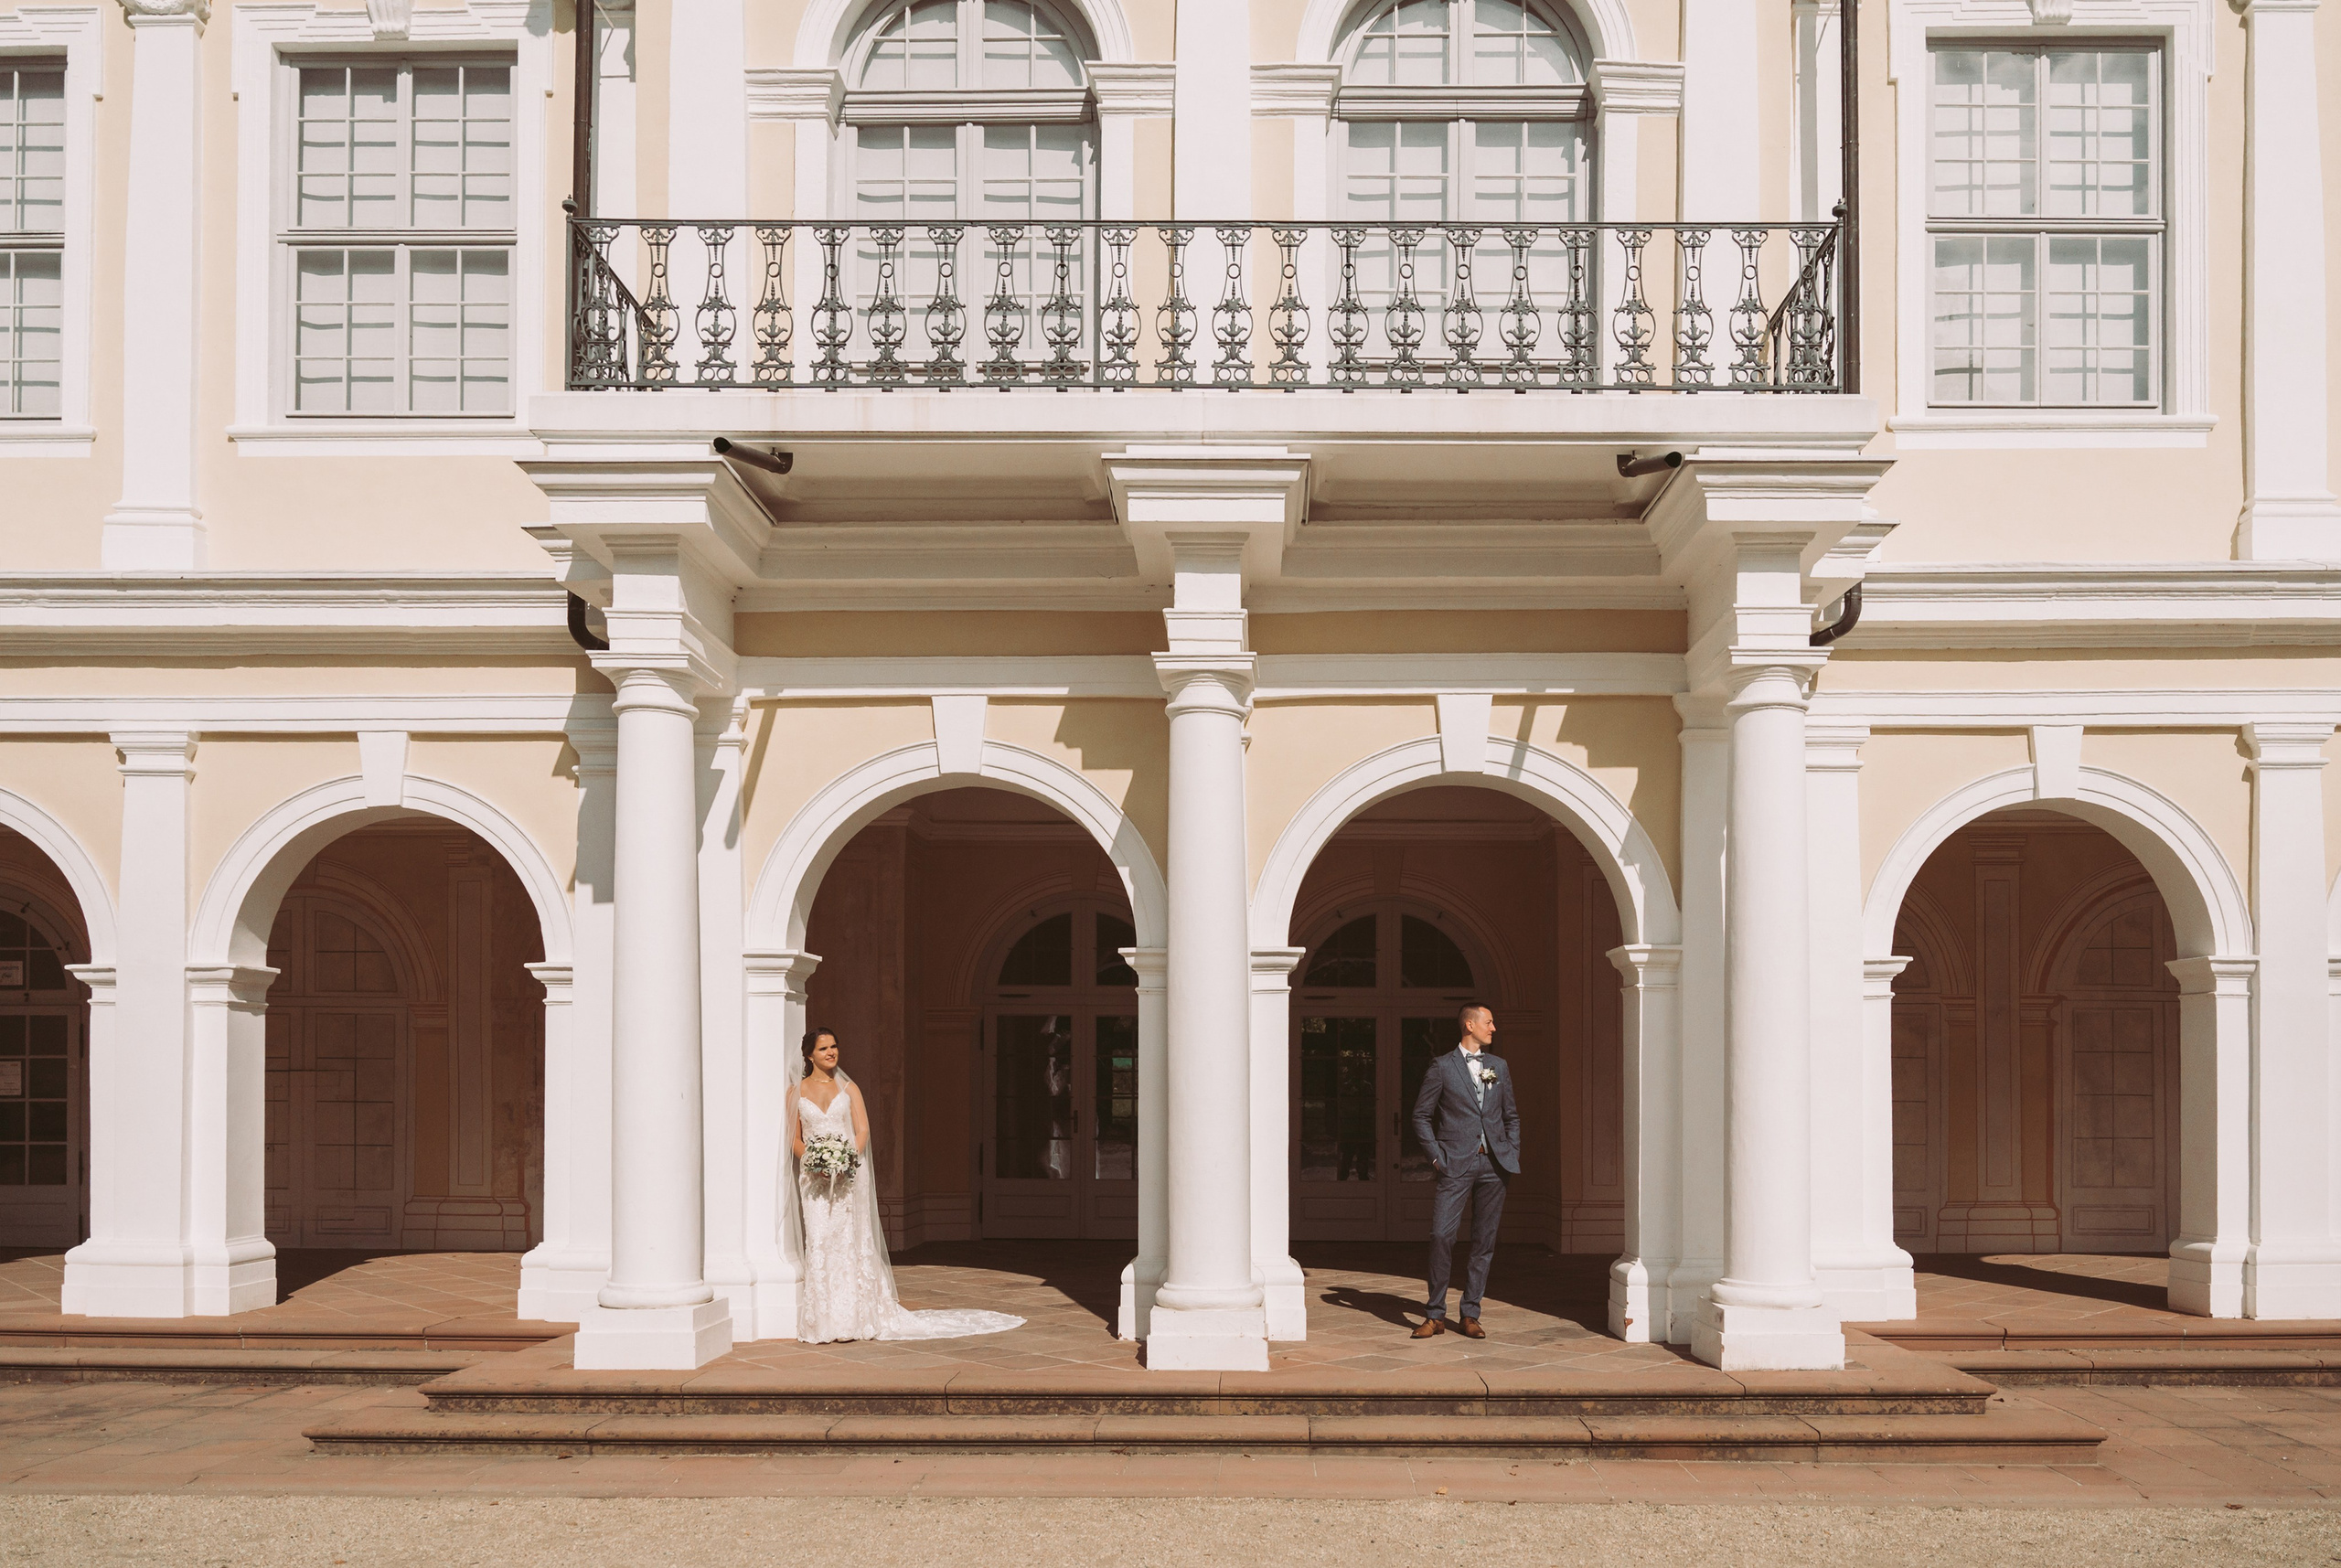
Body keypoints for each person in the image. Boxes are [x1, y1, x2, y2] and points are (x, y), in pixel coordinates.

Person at [788, 1028, 1023, 1343]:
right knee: (819, 1241)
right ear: (809, 1055)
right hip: (814, 1181)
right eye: (823, 1048)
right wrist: (816, 1163)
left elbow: (862, 1132)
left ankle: (854, 1319)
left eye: (834, 1046)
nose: (831, 1053)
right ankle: (824, 1322)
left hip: (846, 1178)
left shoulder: (849, 1088)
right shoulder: (796, 1092)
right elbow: (794, 1138)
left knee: (848, 1242)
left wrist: (843, 1161)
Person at [1408, 1003, 1519, 1340]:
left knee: (1484, 1242)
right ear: (1469, 1025)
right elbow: (1420, 1116)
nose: (1494, 1028)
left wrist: (1510, 1150)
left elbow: (1511, 1115)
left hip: (1494, 1165)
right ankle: (1435, 1315)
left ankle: (1471, 1313)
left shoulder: (1498, 1066)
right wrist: (1437, 1157)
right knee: (1442, 1235)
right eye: (1489, 1022)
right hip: (1455, 1162)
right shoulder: (1442, 1067)